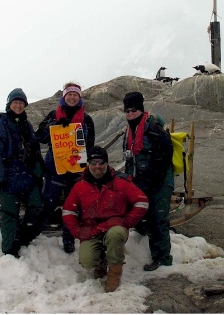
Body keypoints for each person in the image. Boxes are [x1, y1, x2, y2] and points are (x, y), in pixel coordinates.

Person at [62, 146, 148, 292]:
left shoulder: (120, 182)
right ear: (88, 164)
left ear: (107, 164)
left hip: (115, 227)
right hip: (92, 230)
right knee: (87, 261)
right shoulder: (80, 186)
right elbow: (68, 211)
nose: (97, 166)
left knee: (115, 235)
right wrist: (78, 232)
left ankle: (114, 273)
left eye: (101, 162)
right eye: (93, 162)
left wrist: (127, 222)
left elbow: (142, 202)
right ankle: (100, 262)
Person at [35, 82, 95, 253]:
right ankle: (33, 233)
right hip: (55, 169)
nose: (72, 97)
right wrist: (52, 127)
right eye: (69, 94)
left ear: (79, 97)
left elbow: (90, 144)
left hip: (76, 170)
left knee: (72, 206)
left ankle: (68, 239)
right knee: (48, 202)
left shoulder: (87, 119)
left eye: (75, 95)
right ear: (64, 96)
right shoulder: (53, 115)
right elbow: (39, 136)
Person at [0, 88, 44, 257]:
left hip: (25, 174)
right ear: (9, 104)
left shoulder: (26, 124)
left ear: (25, 105)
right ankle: (10, 250)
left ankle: (22, 238)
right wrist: (0, 177)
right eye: (15, 102)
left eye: (21, 102)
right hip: (7, 175)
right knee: (10, 213)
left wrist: (38, 171)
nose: (18, 105)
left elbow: (34, 148)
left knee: (36, 206)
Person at [121, 91, 174, 271]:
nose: (130, 114)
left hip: (159, 181)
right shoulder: (129, 131)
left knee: (158, 218)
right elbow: (130, 160)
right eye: (127, 111)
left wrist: (155, 179)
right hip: (140, 181)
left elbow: (166, 153)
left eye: (134, 110)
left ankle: (163, 260)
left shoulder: (153, 127)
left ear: (141, 109)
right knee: (142, 216)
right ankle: (146, 240)